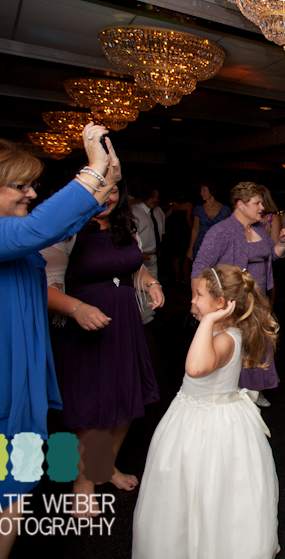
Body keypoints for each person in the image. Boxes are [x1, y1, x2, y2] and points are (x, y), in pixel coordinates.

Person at [0, 125, 120, 557]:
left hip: (19, 394)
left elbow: (54, 228)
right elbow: (36, 231)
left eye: (32, 185)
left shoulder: (6, 232)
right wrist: (93, 171)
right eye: (19, 186)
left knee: (15, 497)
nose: (30, 194)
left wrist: (106, 181)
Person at [132, 265, 279, 559]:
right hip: (203, 413)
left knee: (207, 483)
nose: (192, 300)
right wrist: (210, 320)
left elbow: (195, 368)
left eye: (199, 295)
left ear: (220, 304)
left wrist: (209, 320)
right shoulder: (223, 331)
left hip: (207, 424)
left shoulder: (224, 338)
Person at [43, 178, 164, 514]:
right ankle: (82, 485)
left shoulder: (126, 227)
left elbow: (133, 268)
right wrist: (77, 309)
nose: (105, 197)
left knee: (126, 398)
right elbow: (44, 287)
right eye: (98, 189)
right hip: (84, 326)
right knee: (92, 408)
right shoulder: (64, 231)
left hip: (124, 325)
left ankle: (104, 467)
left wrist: (151, 283)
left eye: (112, 189)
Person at [191, 182, 285, 407]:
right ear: (240, 205)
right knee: (236, 345)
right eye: (257, 203)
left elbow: (272, 254)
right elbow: (200, 266)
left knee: (257, 343)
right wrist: (196, 301)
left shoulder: (259, 229)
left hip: (259, 300)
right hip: (234, 302)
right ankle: (233, 393)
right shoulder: (221, 231)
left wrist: (282, 244)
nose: (262, 208)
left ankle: (256, 391)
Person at [131, 182, 165, 324]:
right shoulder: (135, 211)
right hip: (138, 255)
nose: (155, 200)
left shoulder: (158, 211)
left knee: (153, 285)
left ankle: (149, 317)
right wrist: (138, 253)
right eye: (152, 196)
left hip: (152, 255)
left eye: (158, 197)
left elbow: (160, 232)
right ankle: (139, 319)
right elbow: (130, 235)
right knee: (138, 287)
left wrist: (158, 248)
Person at [187, 180, 230, 262]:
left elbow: (227, 232)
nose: (201, 193)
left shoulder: (225, 210)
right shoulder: (199, 209)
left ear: (212, 191)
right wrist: (190, 249)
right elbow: (195, 230)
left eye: (204, 190)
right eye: (201, 190)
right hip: (201, 247)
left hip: (219, 249)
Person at [163, 192, 194, 283]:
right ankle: (185, 278)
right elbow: (188, 219)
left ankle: (177, 278)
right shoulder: (189, 205)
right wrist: (192, 230)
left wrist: (170, 225)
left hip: (175, 233)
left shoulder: (175, 206)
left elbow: (165, 216)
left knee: (176, 256)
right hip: (184, 233)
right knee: (185, 256)